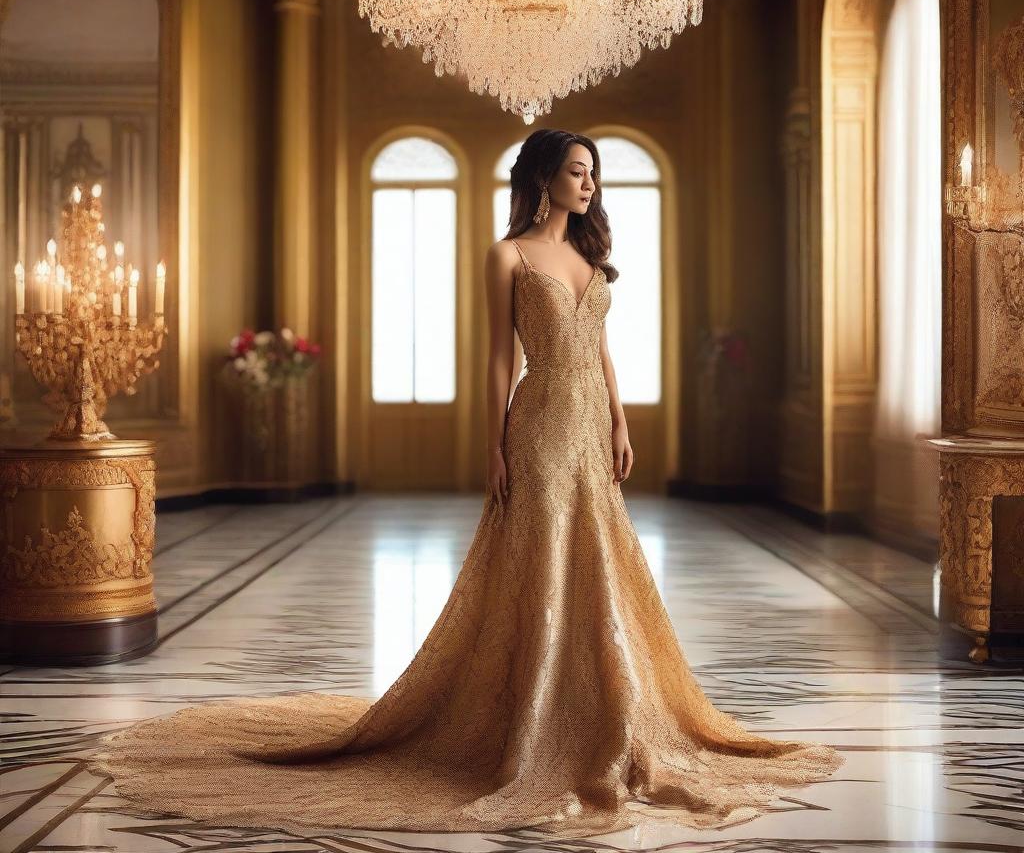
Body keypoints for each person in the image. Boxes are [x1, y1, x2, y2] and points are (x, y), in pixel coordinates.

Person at [88, 129, 843, 840]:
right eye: (576, 171)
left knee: (600, 559)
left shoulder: (589, 256)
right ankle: (529, 720)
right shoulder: (508, 256)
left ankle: (597, 710)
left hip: (589, 426)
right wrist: (492, 444)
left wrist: (620, 421)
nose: (588, 183)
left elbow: (602, 348)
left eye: (593, 173)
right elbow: (494, 360)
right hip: (540, 422)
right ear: (543, 178)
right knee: (542, 555)